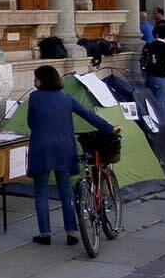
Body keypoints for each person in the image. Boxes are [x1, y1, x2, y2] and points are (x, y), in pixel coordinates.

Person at [24, 64, 115, 246]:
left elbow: (31, 123)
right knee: (66, 191)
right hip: (64, 148)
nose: (34, 82)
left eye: (35, 78)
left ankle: (45, 233)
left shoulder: (34, 97)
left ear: (41, 80)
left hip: (41, 148)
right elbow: (88, 115)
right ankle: (72, 232)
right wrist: (109, 128)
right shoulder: (66, 98)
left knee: (41, 192)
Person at [138, 24, 165, 126]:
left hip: (150, 77)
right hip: (162, 78)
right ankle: (161, 127)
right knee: (161, 105)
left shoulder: (149, 45)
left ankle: (150, 125)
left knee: (150, 104)